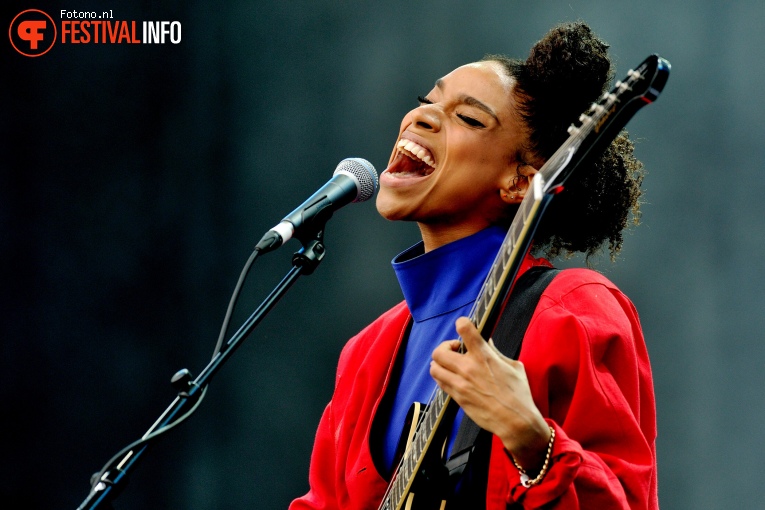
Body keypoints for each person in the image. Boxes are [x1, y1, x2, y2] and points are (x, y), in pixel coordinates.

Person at [290, 21, 658, 509]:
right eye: (427, 99)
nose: (421, 117)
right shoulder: (367, 352)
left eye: (468, 118)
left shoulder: (572, 311)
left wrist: (532, 438)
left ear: (520, 183)